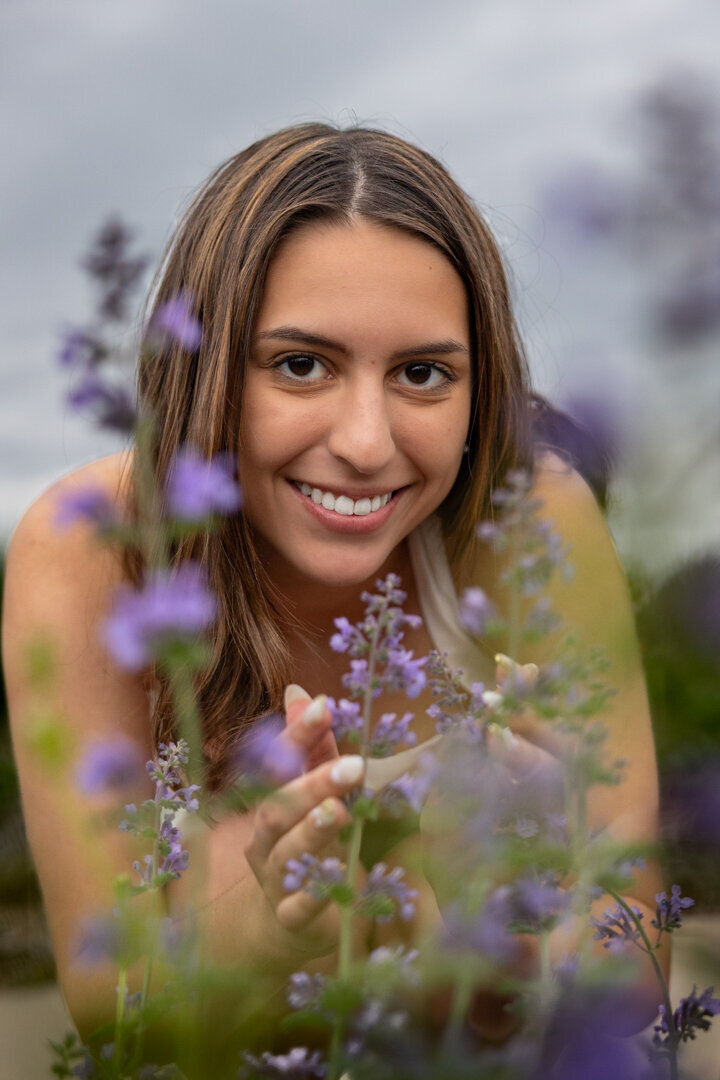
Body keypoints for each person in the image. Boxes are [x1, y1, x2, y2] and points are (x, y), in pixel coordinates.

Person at [2, 124, 663, 1057]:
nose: (364, 441)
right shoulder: (92, 548)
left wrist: (516, 927)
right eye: (300, 364)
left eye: (424, 374)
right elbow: (113, 993)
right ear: (206, 369)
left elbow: (640, 948)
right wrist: (281, 932)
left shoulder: (532, 520)